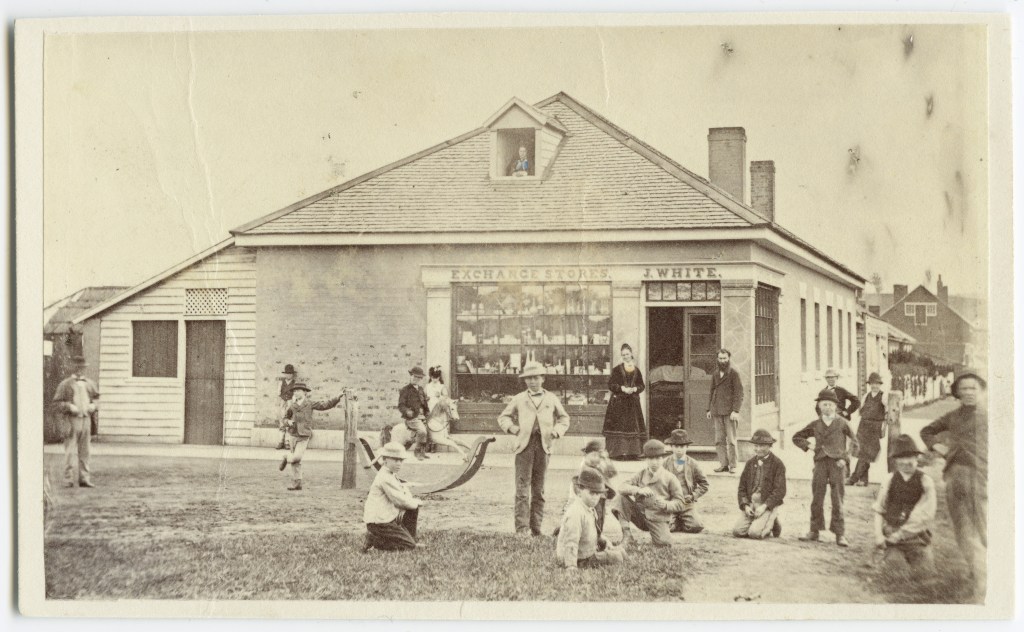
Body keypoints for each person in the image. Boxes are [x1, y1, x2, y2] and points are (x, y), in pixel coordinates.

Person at [920, 369, 987, 601]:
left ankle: (987, 581)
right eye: (964, 389)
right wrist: (939, 448)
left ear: (982, 391)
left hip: (986, 478)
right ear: (957, 393)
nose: (969, 393)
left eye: (973, 388)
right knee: (964, 529)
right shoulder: (953, 416)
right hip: (957, 476)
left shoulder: (992, 416)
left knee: (986, 528)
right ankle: (978, 578)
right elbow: (926, 431)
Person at [497, 361, 571, 536]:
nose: (532, 382)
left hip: (544, 446)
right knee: (522, 489)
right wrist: (513, 429)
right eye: (529, 378)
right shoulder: (519, 398)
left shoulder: (551, 398)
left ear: (543, 379)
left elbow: (564, 418)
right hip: (524, 447)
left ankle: (536, 528)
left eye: (536, 378)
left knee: (539, 490)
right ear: (525, 381)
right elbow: (503, 417)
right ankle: (522, 529)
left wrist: (557, 431)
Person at [793, 390, 859, 547]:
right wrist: (809, 446)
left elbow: (855, 443)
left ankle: (840, 534)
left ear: (836, 406)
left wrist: (845, 458)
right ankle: (814, 530)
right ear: (819, 406)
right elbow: (797, 437)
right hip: (820, 463)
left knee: (837, 498)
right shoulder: (815, 424)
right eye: (824, 404)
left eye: (830, 405)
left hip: (838, 465)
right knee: (817, 497)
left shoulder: (842, 423)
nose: (827, 407)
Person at [872, 434, 936, 577]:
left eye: (910, 457)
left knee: (925, 575)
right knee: (896, 574)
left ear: (917, 458)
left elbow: (925, 515)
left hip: (916, 537)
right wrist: (878, 536)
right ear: (895, 460)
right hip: (892, 535)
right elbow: (879, 510)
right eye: (901, 457)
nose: (906, 462)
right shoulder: (889, 480)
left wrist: (901, 535)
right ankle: (886, 557)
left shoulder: (926, 481)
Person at [611, 439, 686, 548]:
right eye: (651, 458)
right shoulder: (641, 474)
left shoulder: (670, 478)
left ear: (662, 458)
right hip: (640, 516)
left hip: (658, 518)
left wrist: (666, 504)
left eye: (658, 458)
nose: (654, 462)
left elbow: (680, 503)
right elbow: (622, 487)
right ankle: (627, 536)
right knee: (620, 498)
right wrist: (638, 490)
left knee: (664, 544)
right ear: (646, 459)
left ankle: (661, 535)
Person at [556, 467, 625, 569]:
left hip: (586, 551)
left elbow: (592, 531)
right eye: (591, 493)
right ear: (580, 491)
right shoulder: (575, 512)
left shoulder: (589, 508)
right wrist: (571, 566)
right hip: (578, 559)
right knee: (617, 557)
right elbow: (571, 541)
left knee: (621, 551)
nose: (595, 497)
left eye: (598, 494)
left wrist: (605, 542)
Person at [278, 383, 343, 491]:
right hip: (293, 434)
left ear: (305, 392)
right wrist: (288, 422)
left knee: (296, 457)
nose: (296, 393)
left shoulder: (310, 404)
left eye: (298, 390)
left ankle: (286, 457)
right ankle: (297, 484)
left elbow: (325, 405)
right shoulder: (291, 406)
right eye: (294, 391)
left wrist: (338, 397)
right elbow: (284, 419)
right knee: (296, 462)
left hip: (304, 435)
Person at [362, 442, 425, 552]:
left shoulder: (391, 475)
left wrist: (413, 502)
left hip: (387, 518)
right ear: (385, 460)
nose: (399, 464)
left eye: (401, 461)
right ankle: (375, 541)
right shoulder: (385, 478)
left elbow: (403, 491)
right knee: (408, 547)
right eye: (395, 460)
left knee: (413, 509)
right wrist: (417, 502)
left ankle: (409, 539)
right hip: (379, 523)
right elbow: (399, 501)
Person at [51, 356, 99, 488]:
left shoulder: (90, 383)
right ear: (72, 368)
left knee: (85, 451)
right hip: (71, 421)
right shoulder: (65, 384)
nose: (80, 370)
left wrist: (94, 406)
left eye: (82, 367)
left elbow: (97, 399)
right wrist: (68, 406)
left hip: (86, 420)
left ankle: (84, 479)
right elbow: (56, 404)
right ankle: (68, 479)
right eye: (77, 367)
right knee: (70, 451)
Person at [555, 438, 618, 539]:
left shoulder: (599, 464)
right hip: (581, 499)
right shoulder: (584, 467)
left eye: (599, 456)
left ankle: (597, 534)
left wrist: (606, 459)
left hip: (597, 497)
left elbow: (612, 473)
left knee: (599, 517)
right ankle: (566, 531)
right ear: (586, 455)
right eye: (593, 455)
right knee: (587, 519)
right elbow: (579, 488)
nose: (596, 458)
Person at [733, 429, 786, 539]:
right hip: (752, 504)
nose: (758, 449)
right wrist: (746, 506)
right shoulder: (750, 463)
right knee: (738, 532)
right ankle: (772, 519)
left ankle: (772, 519)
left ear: (770, 446)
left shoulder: (777, 464)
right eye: (756, 446)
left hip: (766, 504)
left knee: (754, 534)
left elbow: (780, 490)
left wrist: (765, 506)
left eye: (762, 446)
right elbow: (742, 487)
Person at [602, 344, 647, 461]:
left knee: (632, 428)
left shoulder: (637, 370)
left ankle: (633, 453)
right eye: (623, 355)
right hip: (618, 404)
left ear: (631, 354)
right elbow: (611, 385)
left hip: (632, 404)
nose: (626, 356)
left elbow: (642, 385)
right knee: (619, 428)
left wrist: (635, 389)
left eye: (627, 354)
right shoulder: (616, 370)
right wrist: (622, 388)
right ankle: (617, 453)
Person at [663, 429, 709, 534]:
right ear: (671, 447)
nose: (679, 450)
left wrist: (693, 496)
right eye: (676, 446)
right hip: (670, 502)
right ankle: (675, 520)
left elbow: (704, 484)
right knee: (667, 527)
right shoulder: (665, 463)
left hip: (686, 502)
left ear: (687, 447)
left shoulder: (693, 464)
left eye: (682, 446)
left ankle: (682, 519)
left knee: (696, 526)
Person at [707, 349, 744, 473]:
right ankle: (723, 464)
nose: (722, 361)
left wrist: (736, 410)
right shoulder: (715, 374)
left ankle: (733, 465)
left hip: (730, 413)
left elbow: (739, 393)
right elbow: (712, 392)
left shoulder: (734, 374)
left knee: (732, 440)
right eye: (720, 358)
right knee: (719, 440)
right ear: (717, 359)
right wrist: (709, 409)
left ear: (729, 359)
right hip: (717, 411)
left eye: (725, 358)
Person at [848, 372, 887, 486]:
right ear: (870, 384)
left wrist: (884, 423)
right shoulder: (866, 395)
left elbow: (888, 410)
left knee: (867, 453)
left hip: (874, 427)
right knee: (862, 452)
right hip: (863, 426)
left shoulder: (883, 396)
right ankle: (864, 481)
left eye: (877, 384)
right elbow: (861, 411)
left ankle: (853, 479)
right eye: (872, 384)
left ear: (880, 384)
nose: (875, 386)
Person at [423, 366, 469, 461]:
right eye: (433, 377)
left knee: (438, 424)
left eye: (436, 377)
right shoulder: (427, 386)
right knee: (426, 423)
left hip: (439, 408)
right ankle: (427, 443)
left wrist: (439, 396)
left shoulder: (441, 386)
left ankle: (434, 444)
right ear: (430, 377)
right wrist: (426, 399)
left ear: (439, 377)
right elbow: (423, 397)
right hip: (429, 407)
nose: (434, 379)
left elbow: (446, 399)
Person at [398, 366, 431, 460]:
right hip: (412, 417)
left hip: (422, 416)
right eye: (413, 376)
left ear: (421, 379)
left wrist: (427, 411)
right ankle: (417, 451)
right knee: (422, 431)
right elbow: (401, 405)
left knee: (431, 429)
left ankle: (423, 452)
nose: (415, 379)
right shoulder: (405, 390)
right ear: (410, 376)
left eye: (418, 377)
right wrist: (407, 411)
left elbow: (424, 402)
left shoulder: (420, 389)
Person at [276, 364, 298, 450]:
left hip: (290, 402)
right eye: (287, 373)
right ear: (285, 374)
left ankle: (287, 442)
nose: (288, 375)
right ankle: (280, 441)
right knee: (282, 421)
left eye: (290, 373)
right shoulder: (281, 382)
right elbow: (278, 393)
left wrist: (292, 404)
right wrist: (281, 402)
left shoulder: (294, 383)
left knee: (289, 421)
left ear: (292, 374)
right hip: (283, 402)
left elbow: (295, 395)